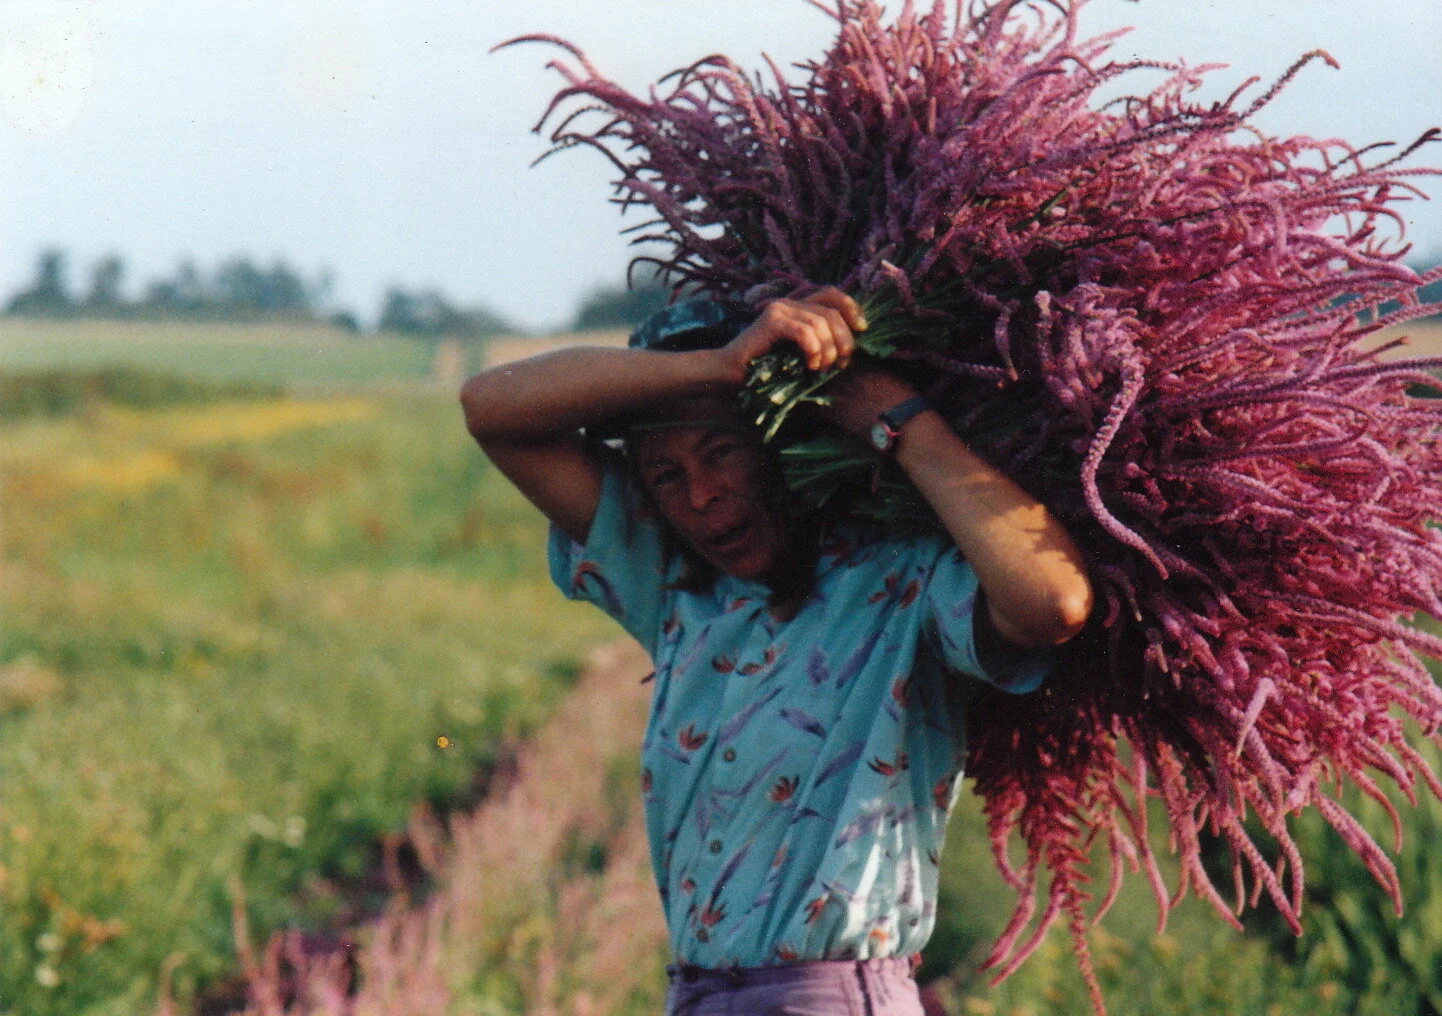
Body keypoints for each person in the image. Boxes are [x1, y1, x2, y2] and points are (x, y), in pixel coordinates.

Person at [460, 287, 1093, 1016]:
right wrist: (721, 368)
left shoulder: (898, 584)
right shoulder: (678, 593)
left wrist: (901, 422)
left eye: (722, 452)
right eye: (666, 476)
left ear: (784, 448)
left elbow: (1055, 603)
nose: (700, 495)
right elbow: (491, 408)